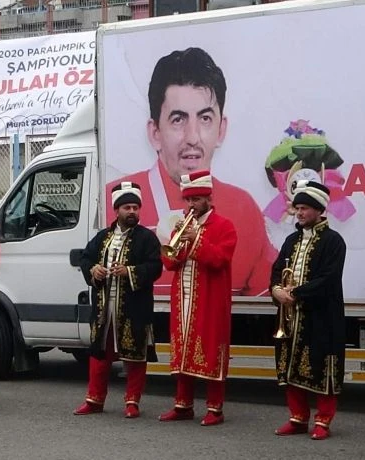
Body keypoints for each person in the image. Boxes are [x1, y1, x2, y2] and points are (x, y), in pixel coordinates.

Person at [108, 47, 278, 295]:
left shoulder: (244, 208)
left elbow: (261, 293)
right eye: (178, 119)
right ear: (155, 133)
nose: (193, 137)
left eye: (205, 118)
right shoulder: (115, 199)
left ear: (221, 130)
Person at [74, 181, 163, 418]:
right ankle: (94, 400)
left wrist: (130, 272)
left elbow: (155, 267)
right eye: (127, 208)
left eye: (135, 207)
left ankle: (132, 401)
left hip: (134, 306)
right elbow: (85, 258)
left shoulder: (147, 238)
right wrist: (94, 270)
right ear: (117, 210)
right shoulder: (102, 237)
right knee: (99, 353)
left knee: (135, 355)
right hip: (104, 307)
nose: (132, 211)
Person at [158, 170, 237, 426]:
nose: (191, 205)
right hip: (183, 299)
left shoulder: (225, 226)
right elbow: (169, 262)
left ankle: (215, 408)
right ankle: (183, 405)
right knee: (182, 351)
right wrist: (179, 241)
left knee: (212, 349)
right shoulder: (182, 225)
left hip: (211, 300)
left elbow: (219, 259)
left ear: (208, 198)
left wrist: (197, 240)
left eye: (196, 200)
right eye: (187, 200)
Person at [270, 179, 347, 439]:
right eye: (297, 208)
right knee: (291, 365)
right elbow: (278, 269)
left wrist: (296, 294)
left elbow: (328, 279)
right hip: (291, 316)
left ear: (319, 210)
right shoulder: (291, 240)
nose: (299, 213)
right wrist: (275, 290)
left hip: (321, 315)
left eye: (304, 208)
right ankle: (298, 417)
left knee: (321, 365)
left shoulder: (334, 241)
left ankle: (323, 421)